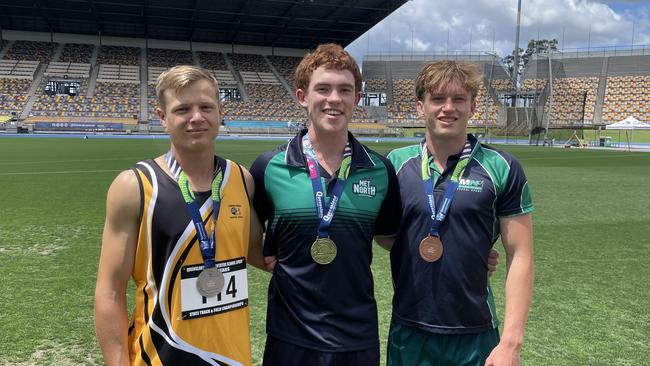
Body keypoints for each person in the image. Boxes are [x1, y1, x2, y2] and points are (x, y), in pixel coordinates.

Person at [94, 65, 264, 366]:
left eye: (206, 107)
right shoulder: (134, 187)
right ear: (162, 118)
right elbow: (110, 291)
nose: (196, 117)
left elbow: (257, 254)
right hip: (158, 356)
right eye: (183, 109)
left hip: (233, 358)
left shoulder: (241, 179)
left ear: (221, 112)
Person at [250, 43, 402, 366]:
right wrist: (259, 256)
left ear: (357, 99)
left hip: (356, 339)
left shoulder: (380, 171)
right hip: (290, 338)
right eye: (323, 89)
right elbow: (245, 231)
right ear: (303, 96)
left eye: (345, 90)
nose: (334, 99)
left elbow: (392, 238)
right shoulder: (269, 167)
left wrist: (469, 252)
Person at [385, 60, 535, 366]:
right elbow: (383, 233)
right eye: (437, 99)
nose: (447, 108)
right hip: (409, 330)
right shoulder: (394, 164)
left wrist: (511, 344)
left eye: (458, 99)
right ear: (420, 107)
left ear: (473, 107)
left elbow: (521, 254)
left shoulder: (501, 167)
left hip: (476, 334)